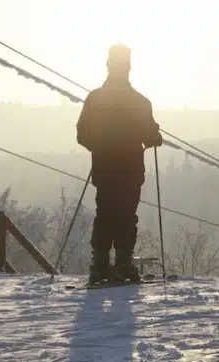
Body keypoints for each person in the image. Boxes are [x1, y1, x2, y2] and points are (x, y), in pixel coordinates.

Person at [76, 44, 163, 285]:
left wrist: (101, 145)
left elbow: (82, 134)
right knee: (126, 215)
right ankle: (124, 266)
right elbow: (150, 137)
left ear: (108, 65)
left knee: (104, 214)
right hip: (131, 169)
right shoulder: (140, 102)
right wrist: (154, 137)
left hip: (103, 167)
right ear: (129, 67)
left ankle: (100, 267)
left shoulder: (94, 99)